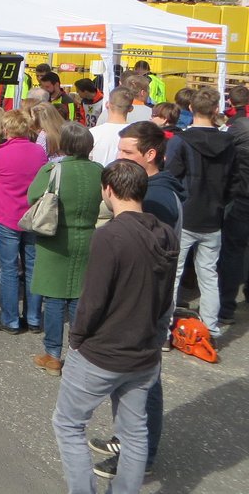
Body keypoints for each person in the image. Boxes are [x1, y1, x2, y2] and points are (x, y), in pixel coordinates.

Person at [52, 160, 178, 494]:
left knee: (68, 423)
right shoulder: (166, 234)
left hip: (102, 353)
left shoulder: (108, 236)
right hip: (144, 353)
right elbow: (166, 297)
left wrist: (76, 339)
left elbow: (93, 300)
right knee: (134, 432)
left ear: (108, 190)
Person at [29, 123, 103, 376]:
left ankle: (52, 355)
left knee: (54, 298)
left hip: (56, 237)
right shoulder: (99, 170)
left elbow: (32, 196)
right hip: (88, 236)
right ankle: (77, 352)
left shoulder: (53, 169)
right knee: (78, 297)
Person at [165, 86, 235, 338]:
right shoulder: (229, 142)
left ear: (190, 108)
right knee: (208, 274)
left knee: (173, 275)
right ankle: (211, 329)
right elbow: (232, 181)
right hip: (214, 214)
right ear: (216, 110)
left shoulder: (180, 141)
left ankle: (164, 332)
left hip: (185, 213)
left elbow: (171, 177)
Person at [0, 109, 49, 334]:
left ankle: (10, 320)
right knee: (32, 266)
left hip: (6, 216)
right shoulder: (38, 152)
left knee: (8, 269)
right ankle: (33, 318)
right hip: (32, 216)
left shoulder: (1, 154)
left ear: (6, 129)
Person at [221, 85, 249, 326]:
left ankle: (226, 307)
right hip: (241, 194)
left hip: (241, 196)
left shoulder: (238, 128)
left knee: (233, 250)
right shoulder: (239, 127)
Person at [89, 86, 134, 166]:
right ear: (131, 109)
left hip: (100, 173)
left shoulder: (92, 133)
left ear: (107, 104)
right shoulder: (136, 134)